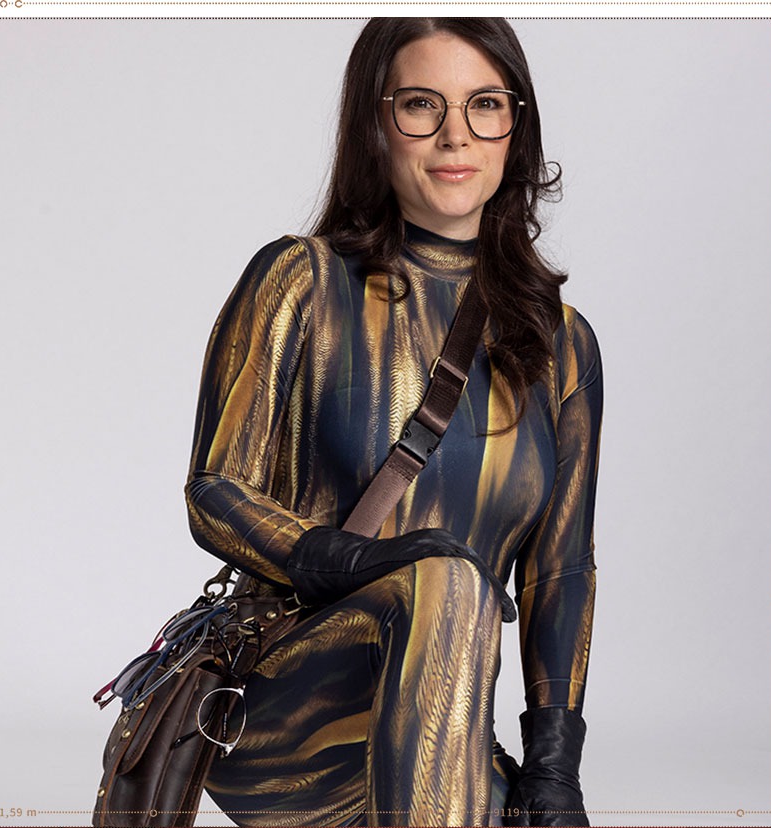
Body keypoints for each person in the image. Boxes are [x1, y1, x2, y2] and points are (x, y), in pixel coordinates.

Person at [184, 17, 602, 828]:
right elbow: (214, 491)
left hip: (437, 728)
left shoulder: (563, 343)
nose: (456, 135)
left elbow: (560, 572)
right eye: (420, 104)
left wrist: (555, 766)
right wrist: (354, 559)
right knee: (449, 580)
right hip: (290, 707)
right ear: (375, 124)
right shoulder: (300, 279)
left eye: (485, 104)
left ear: (516, 128)